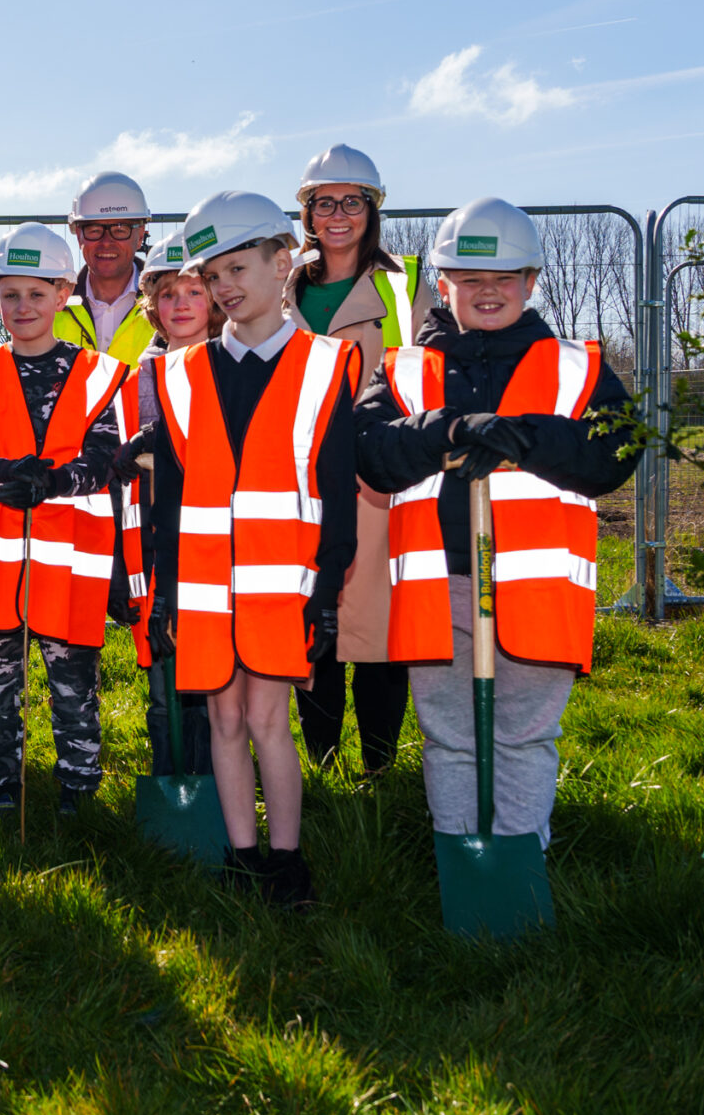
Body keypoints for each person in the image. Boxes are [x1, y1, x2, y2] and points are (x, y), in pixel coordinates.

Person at [355, 196, 635, 856]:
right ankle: (461, 857)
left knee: (525, 733)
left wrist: (524, 438)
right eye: (470, 279)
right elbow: (367, 451)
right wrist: (447, 430)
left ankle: (517, 859)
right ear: (443, 285)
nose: (487, 292)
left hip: (537, 588)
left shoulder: (578, 366)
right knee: (449, 733)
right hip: (438, 585)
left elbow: (615, 453)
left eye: (504, 279)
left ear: (531, 282)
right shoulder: (403, 369)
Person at [141, 190, 362, 909]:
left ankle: (288, 860)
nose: (224, 287)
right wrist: (165, 590)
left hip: (281, 588)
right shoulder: (177, 374)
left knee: (270, 719)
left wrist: (326, 591)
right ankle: (241, 855)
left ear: (282, 261)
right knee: (224, 720)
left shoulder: (329, 365)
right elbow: (169, 499)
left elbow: (335, 490)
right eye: (213, 276)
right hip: (205, 590)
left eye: (239, 267)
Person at [0, 223, 128, 821]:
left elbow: (106, 460)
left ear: (62, 292)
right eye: (9, 294)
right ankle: (2, 787)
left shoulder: (101, 373)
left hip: (68, 561)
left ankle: (78, 790)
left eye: (36, 293)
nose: (22, 307)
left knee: (74, 689)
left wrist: (53, 482)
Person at [286, 145, 434, 778]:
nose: (338, 215)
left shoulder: (405, 283)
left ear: (373, 210)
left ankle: (376, 769)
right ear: (307, 213)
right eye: (325, 202)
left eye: (353, 201)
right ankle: (319, 767)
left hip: (379, 477)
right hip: (297, 475)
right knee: (311, 621)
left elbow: (433, 368)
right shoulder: (282, 278)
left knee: (375, 631)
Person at [124, 231, 215, 781]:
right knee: (162, 684)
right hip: (157, 550)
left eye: (194, 291)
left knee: (210, 691)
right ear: (152, 306)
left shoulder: (231, 365)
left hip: (213, 548)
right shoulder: (142, 376)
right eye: (167, 294)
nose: (180, 304)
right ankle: (169, 783)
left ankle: (213, 785)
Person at [53, 171, 158, 364]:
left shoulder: (165, 303)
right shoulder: (53, 306)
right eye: (94, 230)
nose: (107, 242)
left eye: (120, 230)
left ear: (140, 235)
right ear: (78, 235)